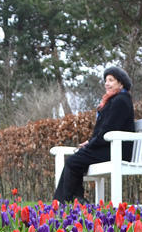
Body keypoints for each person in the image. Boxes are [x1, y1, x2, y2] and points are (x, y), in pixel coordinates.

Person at [53, 66, 136, 203]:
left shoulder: (121, 100)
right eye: (106, 80)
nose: (107, 83)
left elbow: (108, 130)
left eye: (111, 80)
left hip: (117, 150)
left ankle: (63, 203)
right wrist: (90, 142)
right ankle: (76, 200)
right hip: (109, 147)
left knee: (73, 161)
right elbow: (103, 130)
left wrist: (92, 143)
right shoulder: (112, 101)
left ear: (121, 83)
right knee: (76, 161)